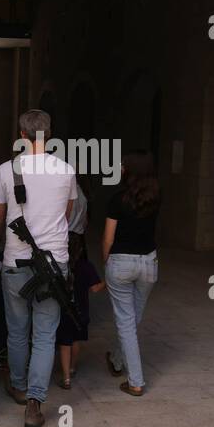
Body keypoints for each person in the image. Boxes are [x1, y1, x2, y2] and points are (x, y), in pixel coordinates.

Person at [0, 109, 77, 427]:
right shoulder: (66, 170)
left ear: (21, 135)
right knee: (45, 335)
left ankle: (19, 385)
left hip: (15, 262)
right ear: (49, 134)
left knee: (17, 331)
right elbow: (65, 215)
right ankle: (35, 403)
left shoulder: (6, 170)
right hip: (54, 264)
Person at [102, 151, 160, 396]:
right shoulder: (156, 198)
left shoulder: (118, 199)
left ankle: (136, 381)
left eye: (124, 165)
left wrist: (106, 262)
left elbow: (108, 237)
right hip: (149, 263)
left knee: (126, 321)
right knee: (132, 318)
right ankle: (116, 359)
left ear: (130, 170)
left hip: (122, 263)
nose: (121, 169)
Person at [54, 234, 104, 389]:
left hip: (63, 310)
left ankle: (66, 378)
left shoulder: (59, 266)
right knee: (76, 341)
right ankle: (72, 367)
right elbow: (95, 288)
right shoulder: (86, 266)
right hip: (81, 311)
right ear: (82, 249)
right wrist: (107, 282)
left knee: (64, 344)